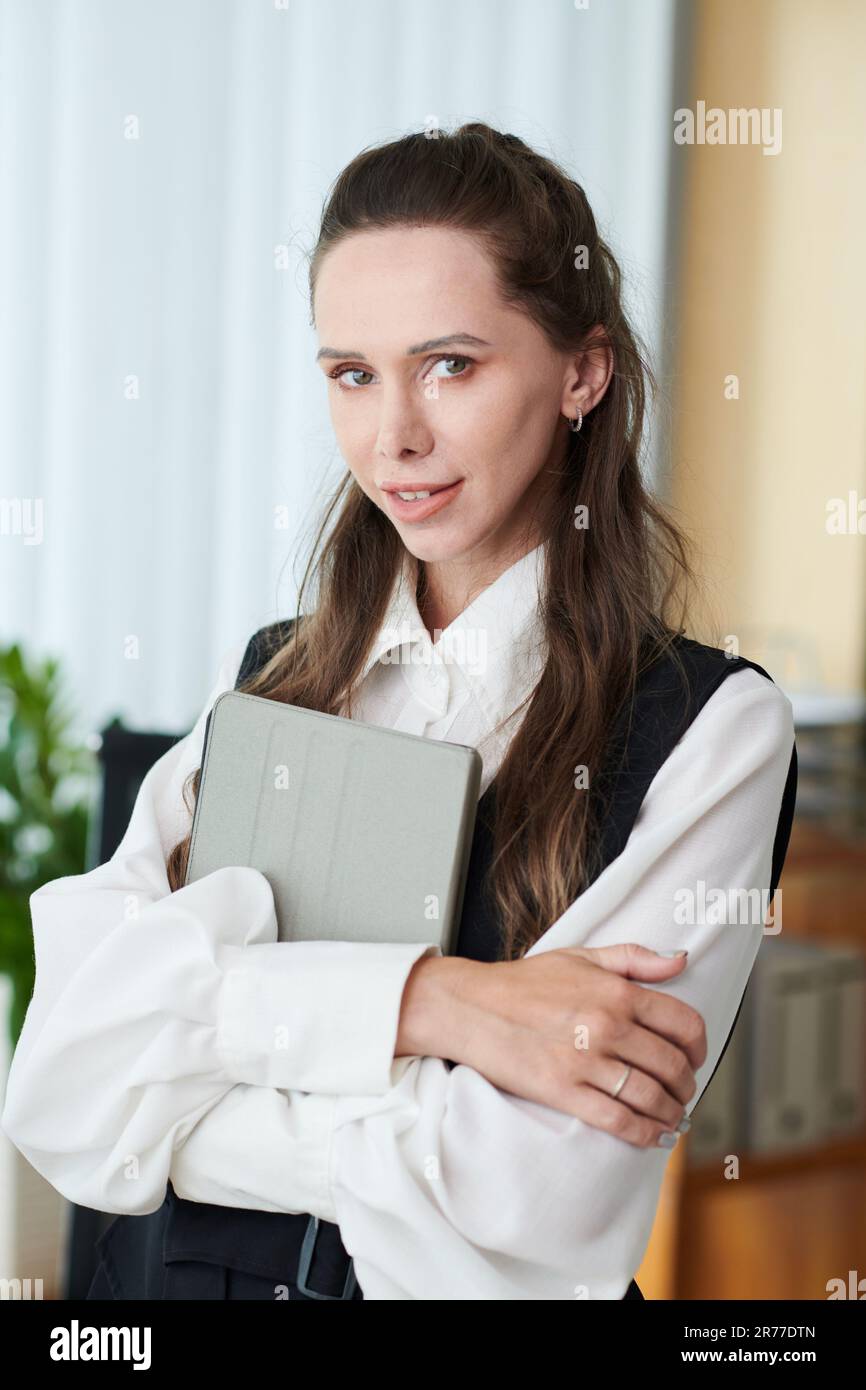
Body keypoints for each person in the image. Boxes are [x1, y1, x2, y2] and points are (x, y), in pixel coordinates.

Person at [1, 122, 796, 1301]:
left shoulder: (707, 729)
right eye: (351, 373)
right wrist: (440, 1006)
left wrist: (194, 1084)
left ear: (582, 372)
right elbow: (66, 1083)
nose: (392, 437)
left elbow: (528, 1196)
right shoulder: (273, 681)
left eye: (451, 365)